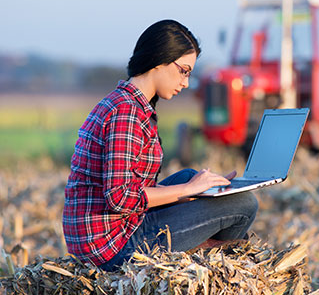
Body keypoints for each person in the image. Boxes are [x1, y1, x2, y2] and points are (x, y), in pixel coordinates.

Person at [62, 20, 259, 271]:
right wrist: (188, 189)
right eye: (184, 71)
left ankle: (204, 256)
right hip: (112, 247)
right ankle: (212, 265)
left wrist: (196, 187)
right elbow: (120, 198)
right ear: (159, 60)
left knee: (195, 179)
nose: (186, 82)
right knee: (243, 204)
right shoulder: (127, 113)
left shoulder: (127, 103)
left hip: (113, 231)